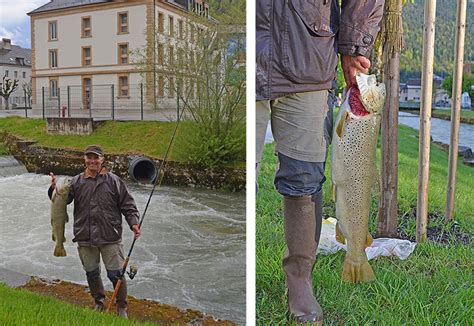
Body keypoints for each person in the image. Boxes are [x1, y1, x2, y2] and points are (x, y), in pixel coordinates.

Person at [256, 1, 385, 324]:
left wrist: (355, 45)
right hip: (245, 53)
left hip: (309, 53)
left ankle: (300, 278)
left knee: (304, 179)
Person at [48, 145, 141, 318]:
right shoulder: (75, 182)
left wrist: (133, 223)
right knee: (91, 273)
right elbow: (61, 201)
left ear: (102, 159)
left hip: (110, 236)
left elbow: (128, 204)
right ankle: (99, 302)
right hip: (84, 236)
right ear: (84, 159)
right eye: (89, 157)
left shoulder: (114, 181)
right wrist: (54, 188)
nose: (92, 161)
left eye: (95, 158)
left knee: (116, 274)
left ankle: (121, 307)